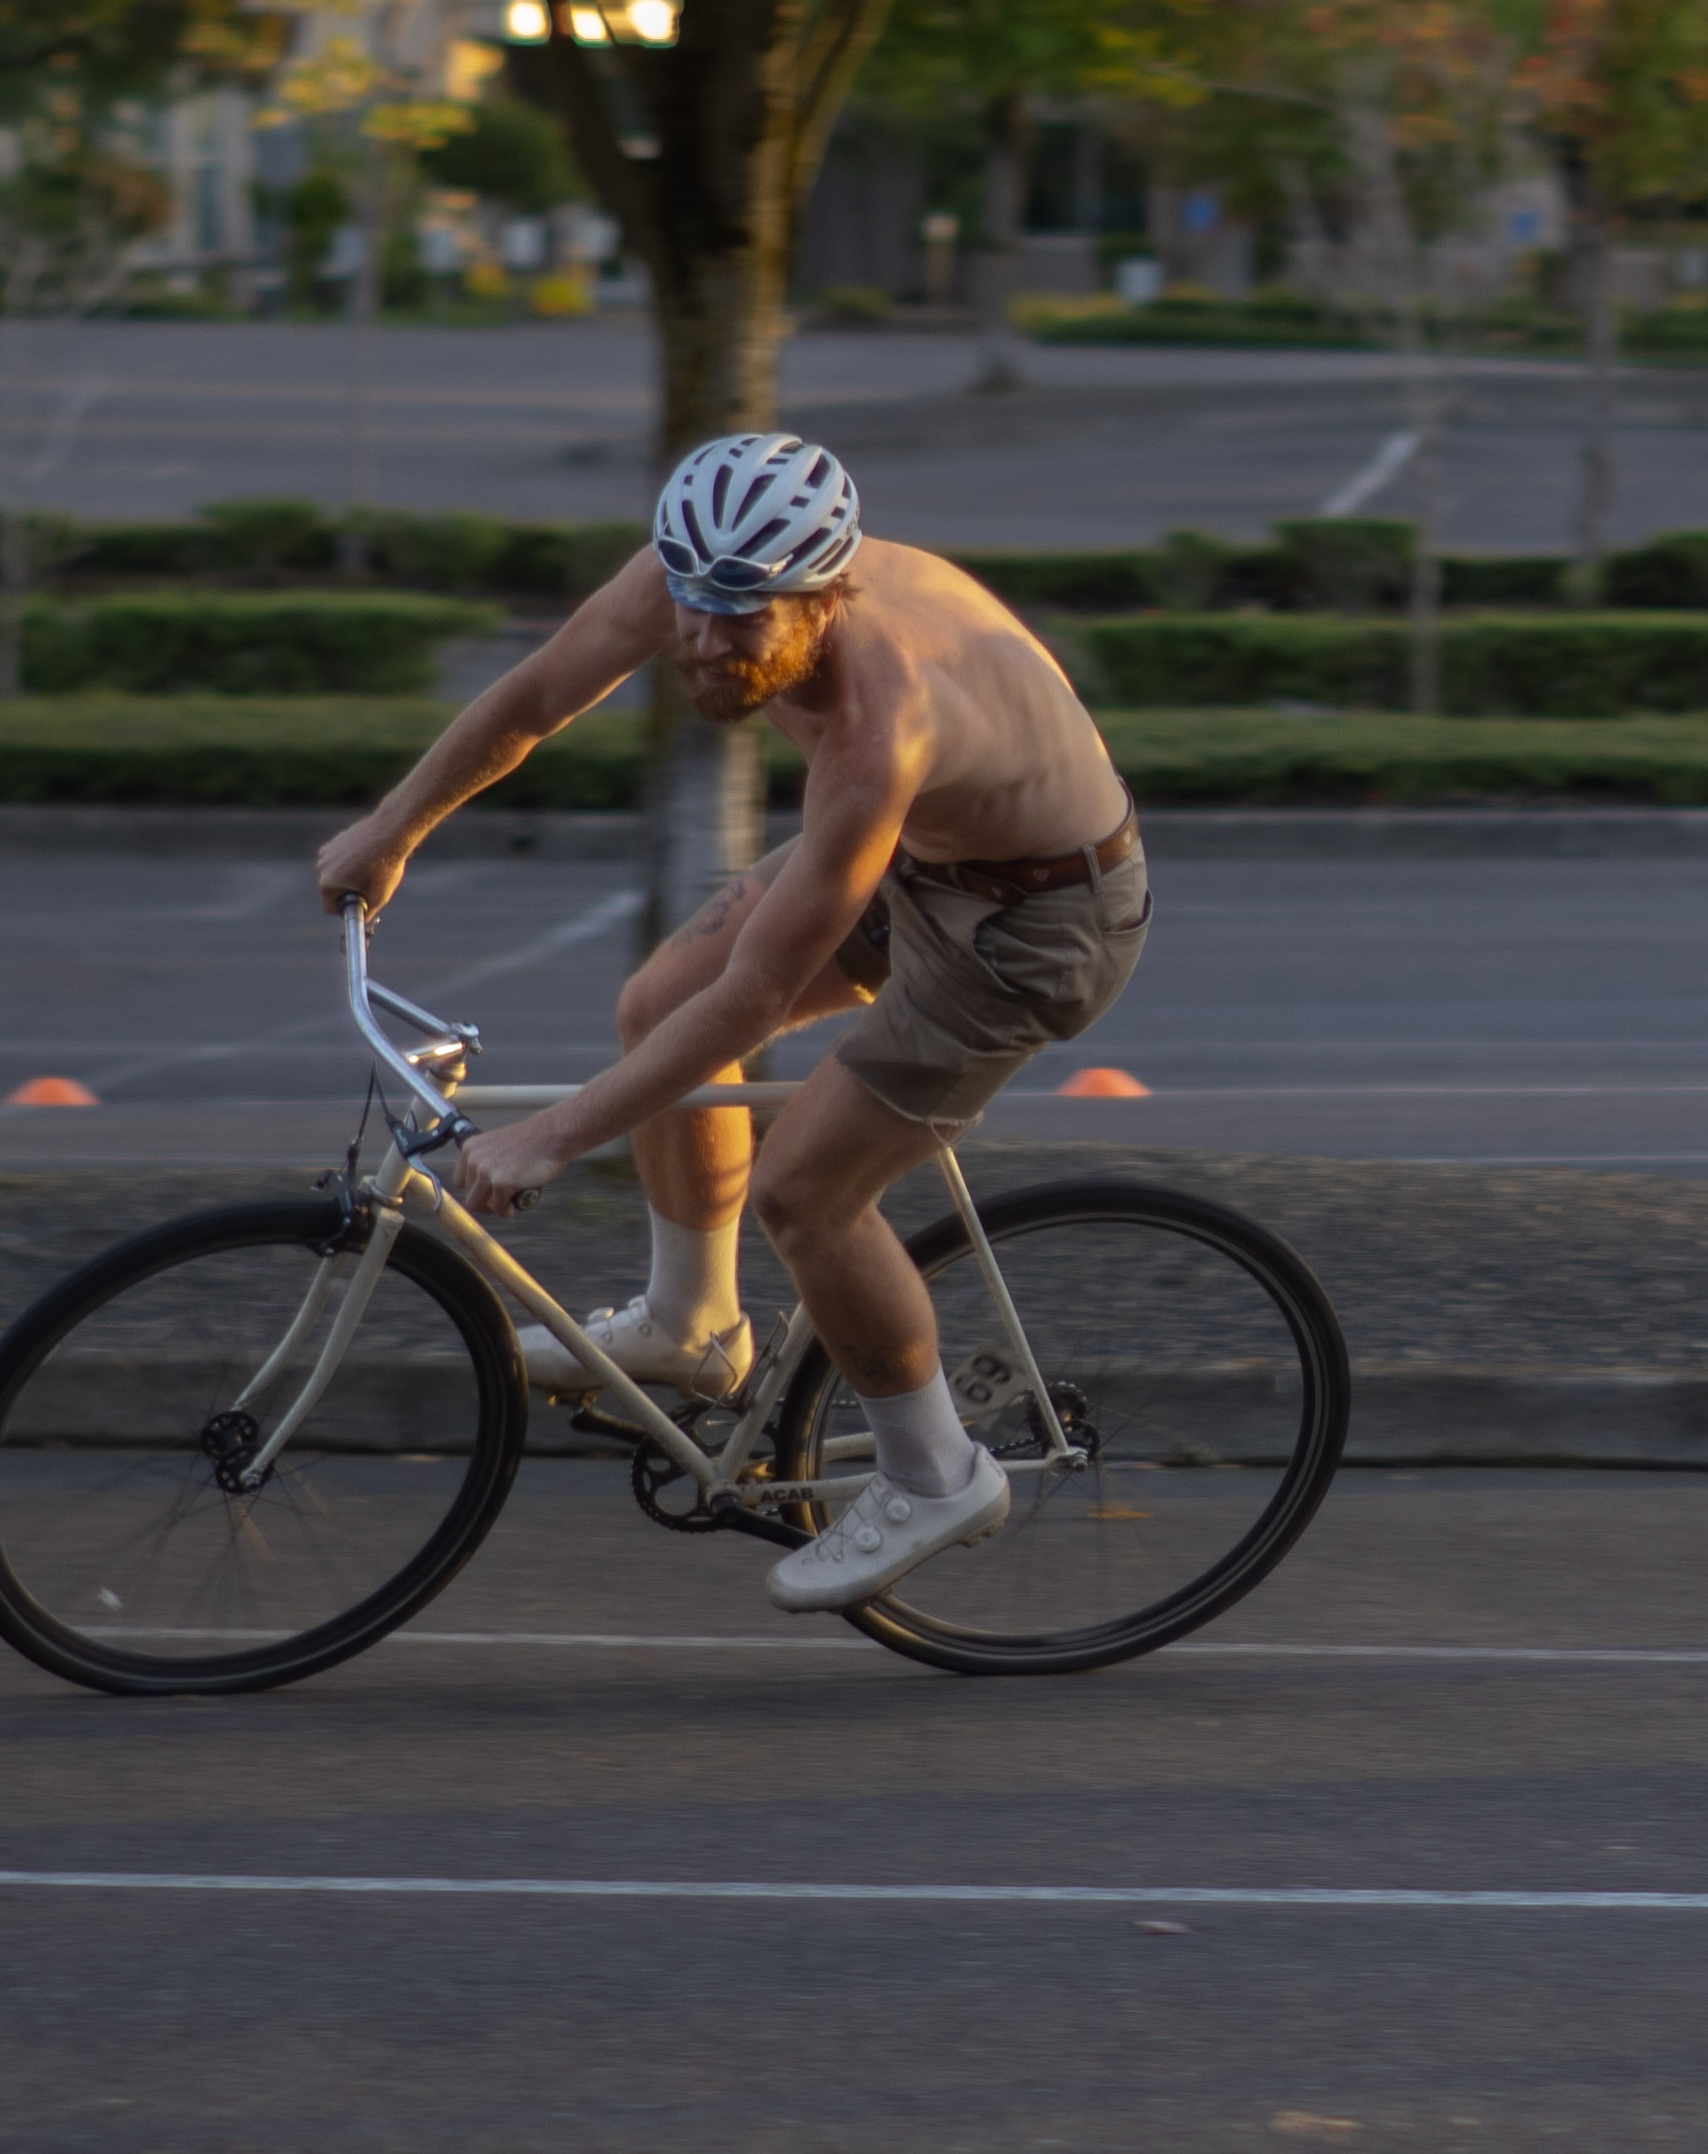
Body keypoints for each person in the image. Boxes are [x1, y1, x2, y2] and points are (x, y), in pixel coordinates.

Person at [312, 432, 1142, 1611]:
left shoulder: (882, 718)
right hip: (924, 857)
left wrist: (554, 1135)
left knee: (805, 1192)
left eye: (743, 619)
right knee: (657, 1000)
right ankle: (694, 1323)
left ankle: (936, 1472)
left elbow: (754, 994)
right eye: (693, 605)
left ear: (826, 597)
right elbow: (535, 696)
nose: (704, 639)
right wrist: (392, 828)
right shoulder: (701, 568)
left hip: (1037, 919)